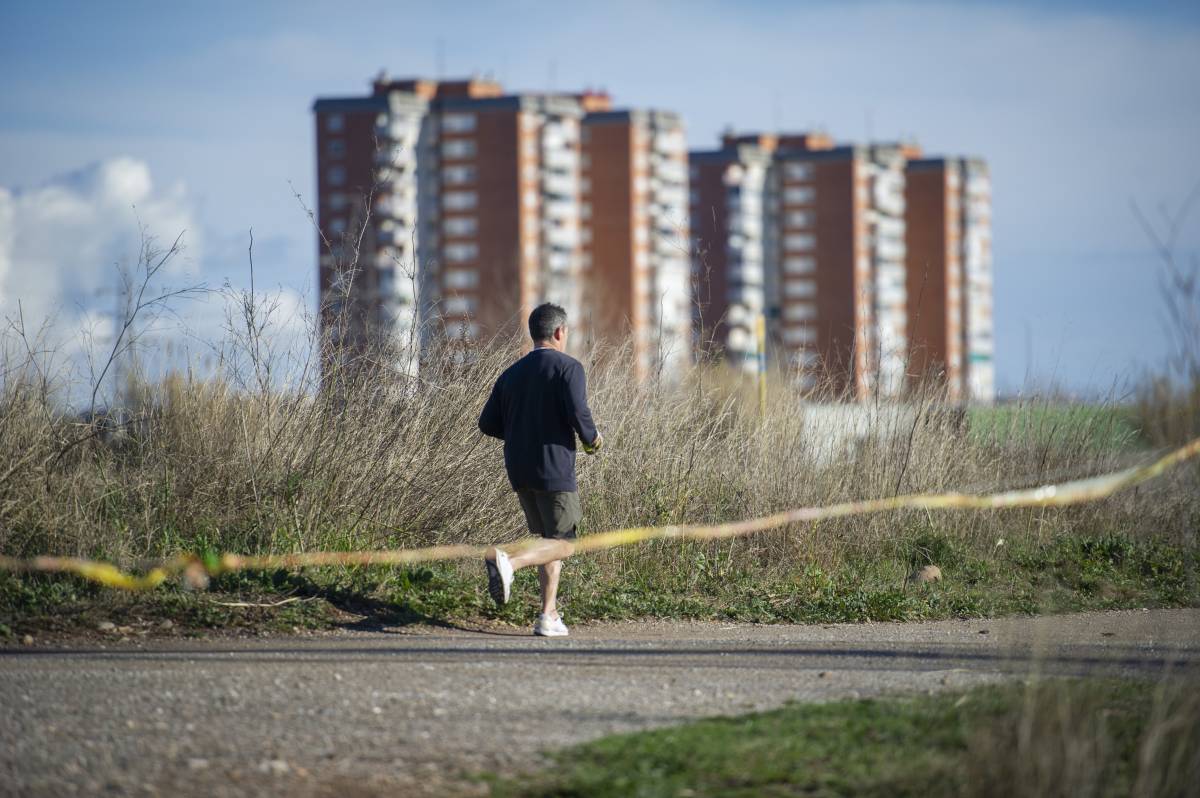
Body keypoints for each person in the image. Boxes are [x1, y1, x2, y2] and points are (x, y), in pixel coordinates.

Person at [478, 302, 603, 637]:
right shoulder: (568, 367)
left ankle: (548, 615)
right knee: (565, 544)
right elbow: (579, 413)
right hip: (554, 468)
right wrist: (593, 439)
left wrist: (521, 433)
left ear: (534, 332)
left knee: (549, 540)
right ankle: (509, 561)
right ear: (560, 332)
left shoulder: (510, 374)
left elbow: (487, 423)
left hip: (519, 469)